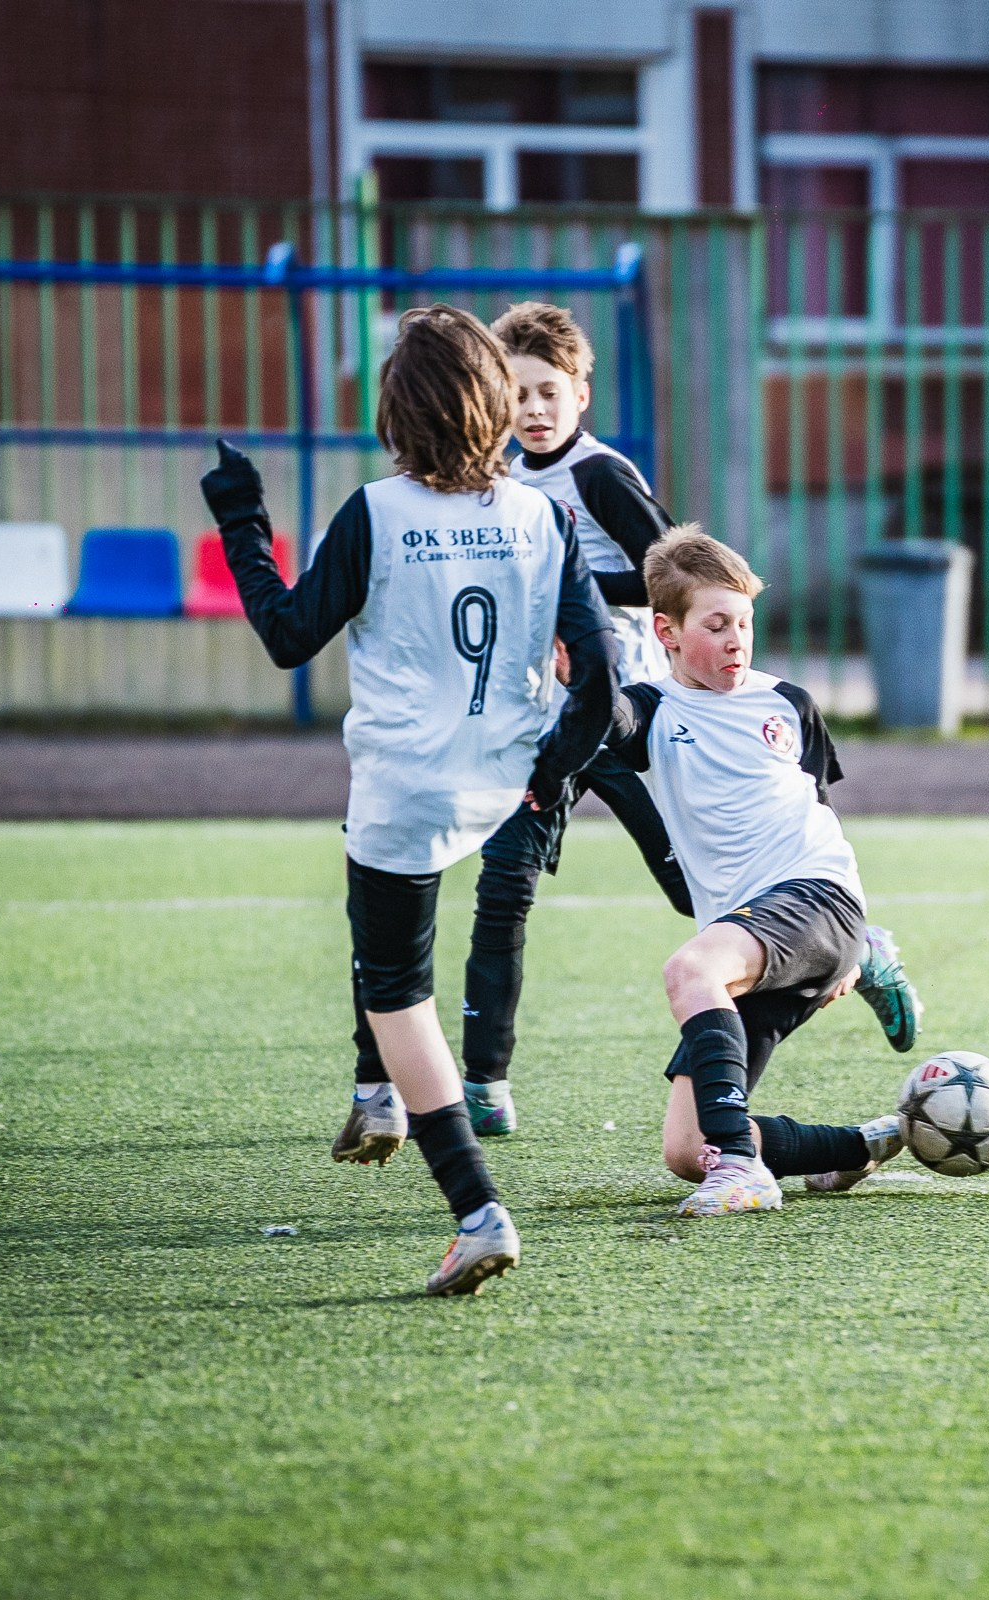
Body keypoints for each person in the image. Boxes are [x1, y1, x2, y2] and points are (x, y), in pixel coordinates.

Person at [337, 301, 922, 1145]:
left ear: (580, 394)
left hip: (636, 724)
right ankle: (486, 1081)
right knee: (504, 887)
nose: (533, 410)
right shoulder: (490, 488)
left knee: (696, 888)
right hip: (548, 721)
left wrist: (566, 588)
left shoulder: (599, 475)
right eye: (518, 394)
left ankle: (860, 945)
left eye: (548, 392)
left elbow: (667, 578)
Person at [201, 304, 616, 1293]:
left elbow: (290, 633)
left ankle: (474, 1207)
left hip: (402, 789)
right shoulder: (544, 514)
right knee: (393, 944)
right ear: (494, 405)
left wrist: (241, 523)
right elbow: (599, 680)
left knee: (399, 992)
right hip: (499, 777)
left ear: (398, 417)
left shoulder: (375, 512)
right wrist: (548, 775)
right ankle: (375, 1098)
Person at [602, 526, 906, 1216]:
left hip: (815, 902)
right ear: (666, 631)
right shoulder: (650, 710)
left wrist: (835, 942)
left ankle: (743, 1169)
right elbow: (610, 719)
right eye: (717, 625)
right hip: (753, 930)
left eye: (744, 621)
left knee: (690, 970)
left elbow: (817, 815)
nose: (737, 639)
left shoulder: (788, 703)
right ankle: (860, 1145)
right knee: (686, 1149)